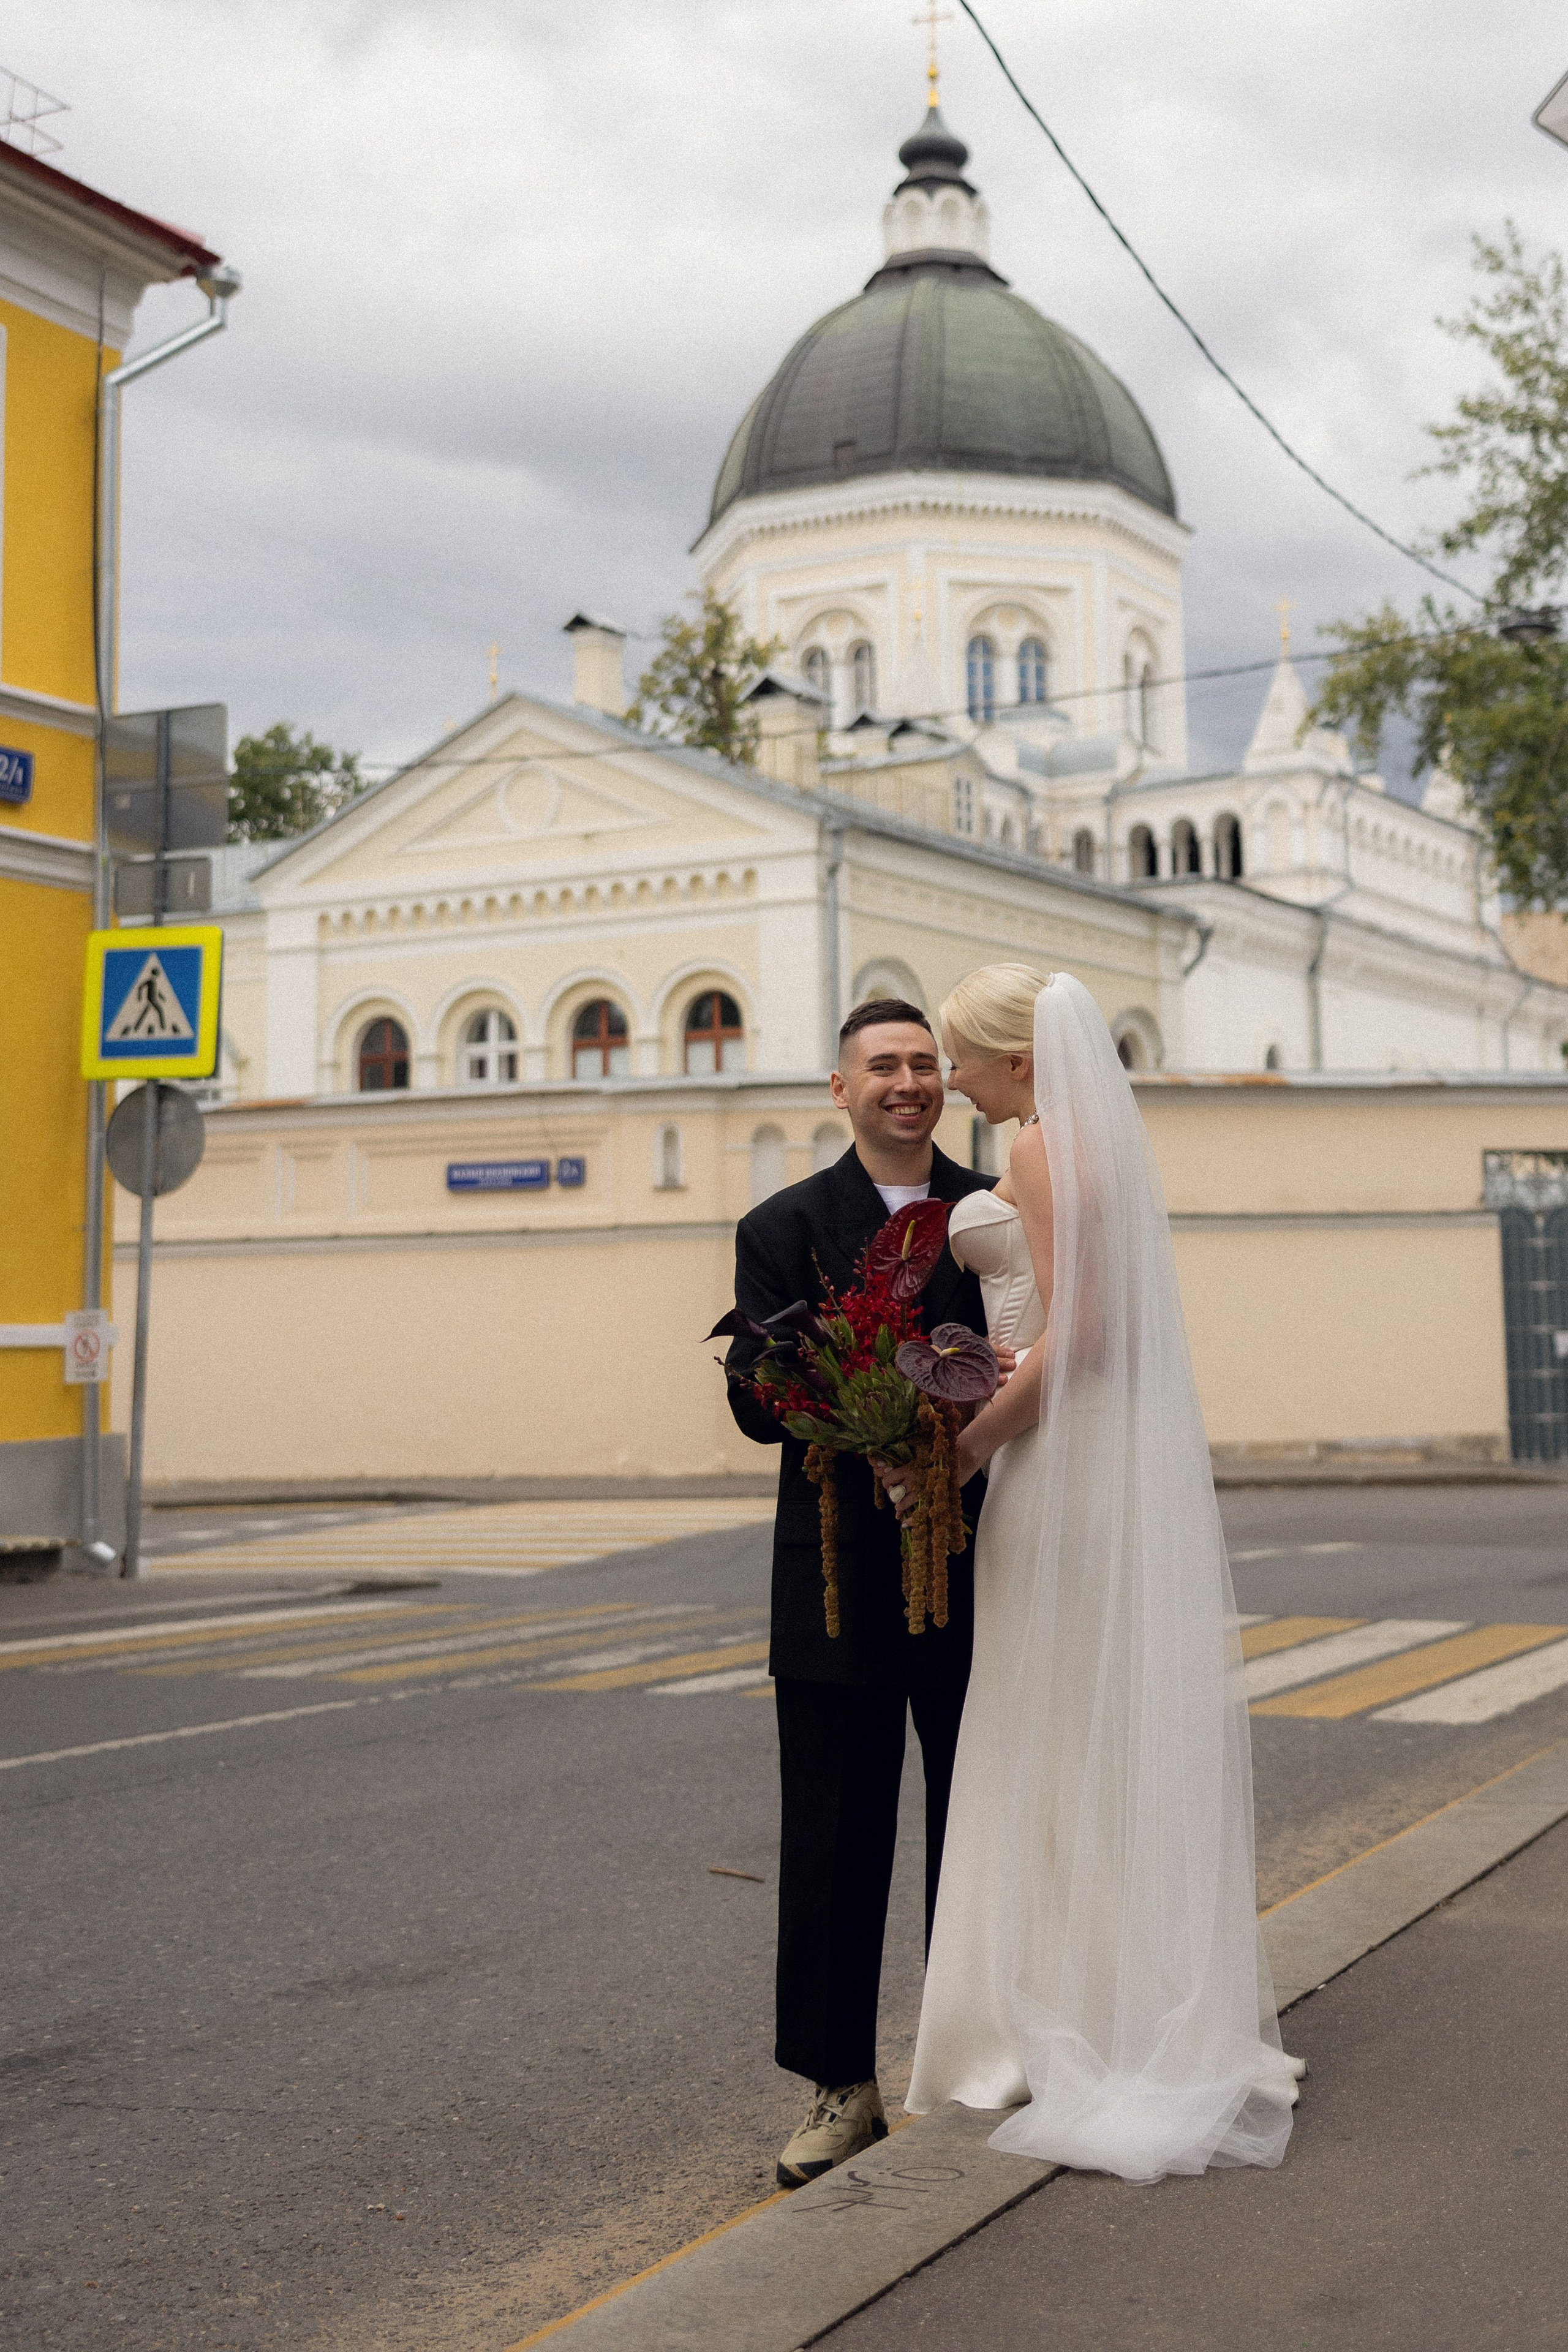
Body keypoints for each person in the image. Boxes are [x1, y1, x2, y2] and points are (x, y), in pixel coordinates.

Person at [899, 963, 1298, 2183]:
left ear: (1014, 1060)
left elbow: (1079, 1337)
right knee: (1087, 1720)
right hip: (1089, 1445)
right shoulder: (1090, 1145)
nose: (951, 1076)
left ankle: (1051, 2012)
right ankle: (1114, 1988)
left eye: (961, 1056)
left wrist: (967, 1445)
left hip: (1058, 1454)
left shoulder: (1037, 1147)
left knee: (1047, 1721)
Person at [723, 998, 998, 2188]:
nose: (907, 1082)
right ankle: (841, 2088)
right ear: (840, 1089)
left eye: (925, 1063)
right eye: (882, 1065)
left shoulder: (993, 1210)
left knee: (979, 1826)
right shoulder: (783, 1225)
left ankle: (977, 2064)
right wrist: (856, 1413)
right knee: (833, 1837)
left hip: (980, 1562)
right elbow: (752, 1398)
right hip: (833, 1574)